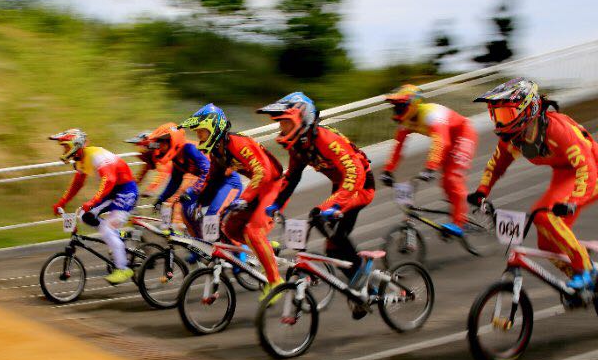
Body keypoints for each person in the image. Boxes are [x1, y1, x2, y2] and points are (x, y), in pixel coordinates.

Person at [469, 78, 598, 290]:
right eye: (496, 115)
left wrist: (574, 201)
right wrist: (482, 191)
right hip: (564, 173)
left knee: (545, 217)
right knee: (546, 243)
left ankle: (586, 270)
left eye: (506, 114)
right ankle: (583, 286)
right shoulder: (514, 139)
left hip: (591, 170)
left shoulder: (559, 129)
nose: (499, 123)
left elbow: (587, 167)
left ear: (528, 110)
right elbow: (496, 165)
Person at [258, 92, 375, 286]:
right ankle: (362, 287)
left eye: (286, 123)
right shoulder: (298, 146)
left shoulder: (326, 139)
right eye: (281, 124)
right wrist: (276, 203)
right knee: (333, 249)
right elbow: (293, 176)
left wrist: (335, 205)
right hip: (341, 186)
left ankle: (361, 274)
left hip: (360, 186)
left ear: (303, 120)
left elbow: (355, 173)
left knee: (319, 217)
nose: (281, 129)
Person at [180, 104, 284, 299]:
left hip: (274, 185)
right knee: (230, 229)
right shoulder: (218, 151)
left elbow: (263, 171)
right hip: (259, 186)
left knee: (252, 231)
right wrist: (198, 201)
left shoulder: (238, 143)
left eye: (201, 131)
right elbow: (213, 179)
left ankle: (276, 282)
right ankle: (266, 248)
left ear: (214, 128)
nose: (199, 136)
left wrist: (244, 199)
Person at [381, 84, 477, 236]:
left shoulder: (431, 114)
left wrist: (430, 167)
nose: (396, 110)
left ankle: (459, 223)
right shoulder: (406, 121)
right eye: (395, 107)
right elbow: (398, 146)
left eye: (400, 106)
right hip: (447, 141)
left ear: (413, 104)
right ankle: (458, 210)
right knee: (445, 183)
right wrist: (388, 170)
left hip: (463, 134)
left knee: (452, 178)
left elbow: (442, 142)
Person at [50, 129, 139, 285]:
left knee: (106, 229)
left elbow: (109, 179)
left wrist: (92, 201)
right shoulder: (80, 160)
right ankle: (116, 236)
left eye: (65, 146)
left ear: (75, 145)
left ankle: (123, 268)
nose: (64, 151)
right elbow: (77, 184)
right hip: (112, 191)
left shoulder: (97, 156)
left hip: (125, 191)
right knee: (84, 215)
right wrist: (62, 202)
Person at [144, 123, 242, 242]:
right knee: (186, 208)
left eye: (162, 143)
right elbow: (174, 182)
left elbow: (206, 170)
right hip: (211, 185)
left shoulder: (189, 149)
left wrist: (191, 191)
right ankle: (198, 243)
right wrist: (160, 199)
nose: (159, 147)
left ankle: (217, 247)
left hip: (229, 182)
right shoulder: (176, 159)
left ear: (172, 141)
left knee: (212, 215)